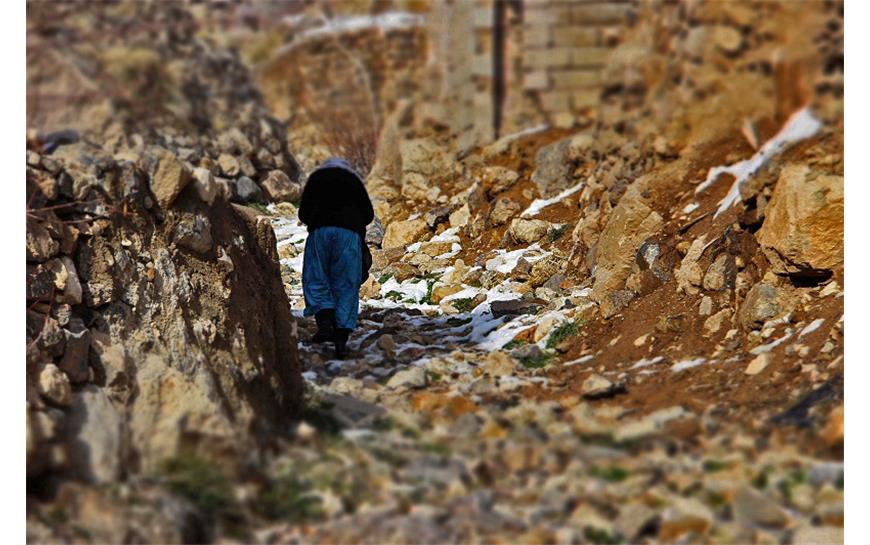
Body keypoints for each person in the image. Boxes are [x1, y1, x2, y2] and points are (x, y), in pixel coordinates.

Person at [298, 157, 373, 358]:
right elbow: (368, 215)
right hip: (349, 235)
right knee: (346, 283)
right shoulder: (354, 180)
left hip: (320, 232)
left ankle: (325, 322)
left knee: (316, 277)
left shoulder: (316, 178)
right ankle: (341, 339)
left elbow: (303, 214)